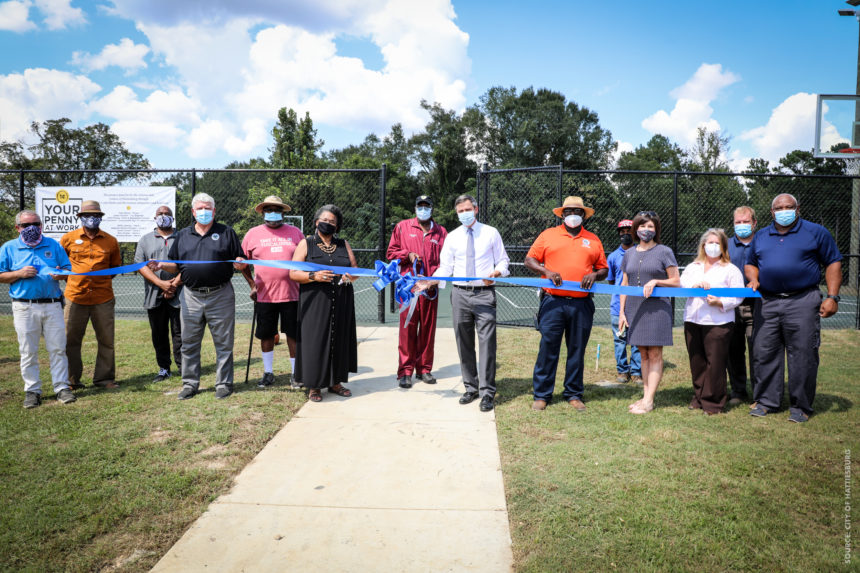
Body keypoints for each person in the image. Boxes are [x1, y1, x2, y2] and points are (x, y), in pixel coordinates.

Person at [745, 193, 842, 423]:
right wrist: (753, 278)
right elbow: (750, 263)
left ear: (798, 209)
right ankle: (767, 401)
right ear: (772, 212)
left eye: (789, 206)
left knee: (803, 354)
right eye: (779, 207)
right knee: (764, 351)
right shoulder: (761, 235)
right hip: (767, 301)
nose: (784, 210)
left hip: (803, 299)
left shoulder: (816, 232)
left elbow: (833, 262)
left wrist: (833, 297)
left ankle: (801, 405)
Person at [150, 193, 247, 400]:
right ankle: (190, 384)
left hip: (220, 295)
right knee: (189, 342)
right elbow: (175, 264)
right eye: (200, 208)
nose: (204, 212)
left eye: (208, 208)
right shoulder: (183, 236)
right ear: (193, 212)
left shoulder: (227, 232)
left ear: (214, 211)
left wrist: (241, 262)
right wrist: (160, 265)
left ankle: (223, 384)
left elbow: (239, 260)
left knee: (224, 342)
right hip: (191, 296)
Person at [423, 194, 510, 413]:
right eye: (460, 211)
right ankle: (470, 387)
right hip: (460, 294)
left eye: (467, 209)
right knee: (463, 342)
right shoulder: (452, 237)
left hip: (484, 294)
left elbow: (503, 260)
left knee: (487, 343)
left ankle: (487, 391)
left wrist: (498, 272)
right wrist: (432, 280)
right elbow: (445, 267)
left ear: (476, 209)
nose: (464, 214)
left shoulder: (491, 233)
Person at [524, 196, 608, 411]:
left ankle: (573, 393)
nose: (573, 215)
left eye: (578, 212)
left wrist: (595, 275)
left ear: (583, 215)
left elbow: (604, 268)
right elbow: (530, 260)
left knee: (577, 350)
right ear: (562, 214)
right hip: (553, 302)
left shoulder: (593, 239)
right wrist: (546, 271)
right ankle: (542, 394)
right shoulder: (548, 235)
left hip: (581, 304)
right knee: (548, 348)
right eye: (569, 211)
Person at [0, 210, 76, 408]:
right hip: (25, 306)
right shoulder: (9, 248)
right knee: (28, 351)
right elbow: (1, 275)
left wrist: (61, 275)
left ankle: (62, 387)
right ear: (17, 228)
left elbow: (67, 270)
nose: (32, 228)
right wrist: (19, 273)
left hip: (52, 305)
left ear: (41, 225)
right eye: (26, 225)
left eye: (36, 223)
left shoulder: (53, 245)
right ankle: (32, 390)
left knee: (58, 349)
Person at [291, 205, 358, 402]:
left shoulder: (343, 244)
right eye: (325, 220)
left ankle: (336, 382)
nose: (328, 224)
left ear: (337, 227)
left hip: (342, 299)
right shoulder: (306, 243)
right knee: (315, 341)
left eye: (332, 222)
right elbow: (293, 273)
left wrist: (349, 277)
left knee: (339, 338)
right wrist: (314, 275)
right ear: (316, 222)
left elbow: (355, 270)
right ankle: (314, 385)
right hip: (315, 300)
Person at [618, 211, 680, 414]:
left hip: (657, 309)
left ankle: (649, 400)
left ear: (656, 230)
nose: (646, 230)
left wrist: (656, 281)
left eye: (651, 227)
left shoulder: (664, 251)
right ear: (636, 228)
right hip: (635, 308)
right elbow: (624, 284)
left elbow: (676, 281)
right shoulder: (628, 254)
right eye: (643, 226)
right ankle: (645, 397)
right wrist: (622, 312)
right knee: (643, 355)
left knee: (654, 354)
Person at [241, 195, 304, 389]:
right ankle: (268, 373)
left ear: (283, 213)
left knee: (293, 334)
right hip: (265, 296)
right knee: (266, 335)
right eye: (269, 209)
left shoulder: (296, 233)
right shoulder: (252, 234)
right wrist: (252, 284)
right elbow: (242, 262)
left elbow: (305, 259)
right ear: (263, 212)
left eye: (277, 209)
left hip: (292, 294)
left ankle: (296, 374)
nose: (273, 213)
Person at [386, 194, 448, 388]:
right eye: (420, 206)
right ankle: (405, 371)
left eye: (426, 206)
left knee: (428, 330)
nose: (423, 209)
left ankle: (424, 369)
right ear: (415, 208)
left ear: (431, 209)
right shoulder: (402, 227)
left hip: (429, 289)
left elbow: (446, 262)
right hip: (409, 288)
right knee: (407, 329)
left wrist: (432, 281)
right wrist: (407, 255)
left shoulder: (441, 232)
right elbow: (391, 252)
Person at [680, 229, 744, 415]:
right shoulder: (693, 267)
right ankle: (699, 397)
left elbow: (739, 296)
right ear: (703, 245)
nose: (713, 247)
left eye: (717, 243)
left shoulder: (731, 269)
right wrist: (695, 285)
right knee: (697, 361)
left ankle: (714, 402)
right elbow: (682, 283)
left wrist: (720, 302)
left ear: (723, 247)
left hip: (719, 322)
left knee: (715, 363)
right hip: (693, 319)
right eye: (710, 243)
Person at [61, 200, 122, 390]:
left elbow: (115, 268)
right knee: (70, 340)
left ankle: (104, 379)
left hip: (103, 298)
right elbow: (62, 267)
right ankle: (72, 381)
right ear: (80, 217)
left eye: (96, 216)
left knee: (106, 340)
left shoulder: (111, 241)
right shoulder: (68, 239)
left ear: (101, 218)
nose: (92, 219)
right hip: (75, 297)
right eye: (88, 215)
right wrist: (76, 280)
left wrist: (98, 280)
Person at [134, 205, 182, 383]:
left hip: (180, 294)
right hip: (154, 295)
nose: (163, 216)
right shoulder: (145, 240)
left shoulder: (183, 237)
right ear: (155, 218)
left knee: (180, 333)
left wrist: (174, 285)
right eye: (160, 214)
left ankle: (183, 367)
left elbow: (186, 265)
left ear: (172, 218)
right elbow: (140, 265)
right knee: (159, 333)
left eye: (167, 214)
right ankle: (164, 368)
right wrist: (161, 284)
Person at [726, 206, 757, 405]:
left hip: (759, 306)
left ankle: (761, 393)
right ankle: (738, 392)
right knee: (733, 350)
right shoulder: (725, 245)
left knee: (759, 351)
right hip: (731, 306)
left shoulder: (764, 242)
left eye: (746, 221)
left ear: (754, 223)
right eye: (738, 222)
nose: (742, 225)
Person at [606, 218, 642, 385]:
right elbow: (612, 281)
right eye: (623, 232)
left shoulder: (641, 253)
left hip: (637, 305)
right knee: (620, 339)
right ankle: (622, 371)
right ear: (619, 234)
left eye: (629, 231)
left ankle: (636, 372)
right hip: (617, 307)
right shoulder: (613, 257)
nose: (626, 234)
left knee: (636, 340)